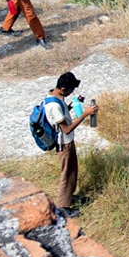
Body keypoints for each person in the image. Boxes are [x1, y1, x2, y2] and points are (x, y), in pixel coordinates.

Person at [44, 72, 98, 217]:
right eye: (70, 90)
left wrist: (73, 105)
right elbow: (66, 129)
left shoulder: (55, 96)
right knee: (66, 174)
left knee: (72, 171)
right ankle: (63, 207)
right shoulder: (53, 105)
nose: (71, 92)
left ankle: (69, 197)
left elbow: (63, 112)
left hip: (67, 141)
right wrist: (85, 114)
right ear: (63, 88)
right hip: (64, 144)